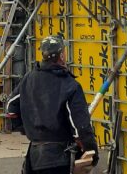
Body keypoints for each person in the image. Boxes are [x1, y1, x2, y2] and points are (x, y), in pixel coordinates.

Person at [7, 34, 99, 174]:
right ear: (61, 56)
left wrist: (29, 129)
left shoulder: (28, 79)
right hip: (60, 159)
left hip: (35, 158)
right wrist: (91, 151)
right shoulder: (70, 85)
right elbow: (80, 127)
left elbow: (11, 109)